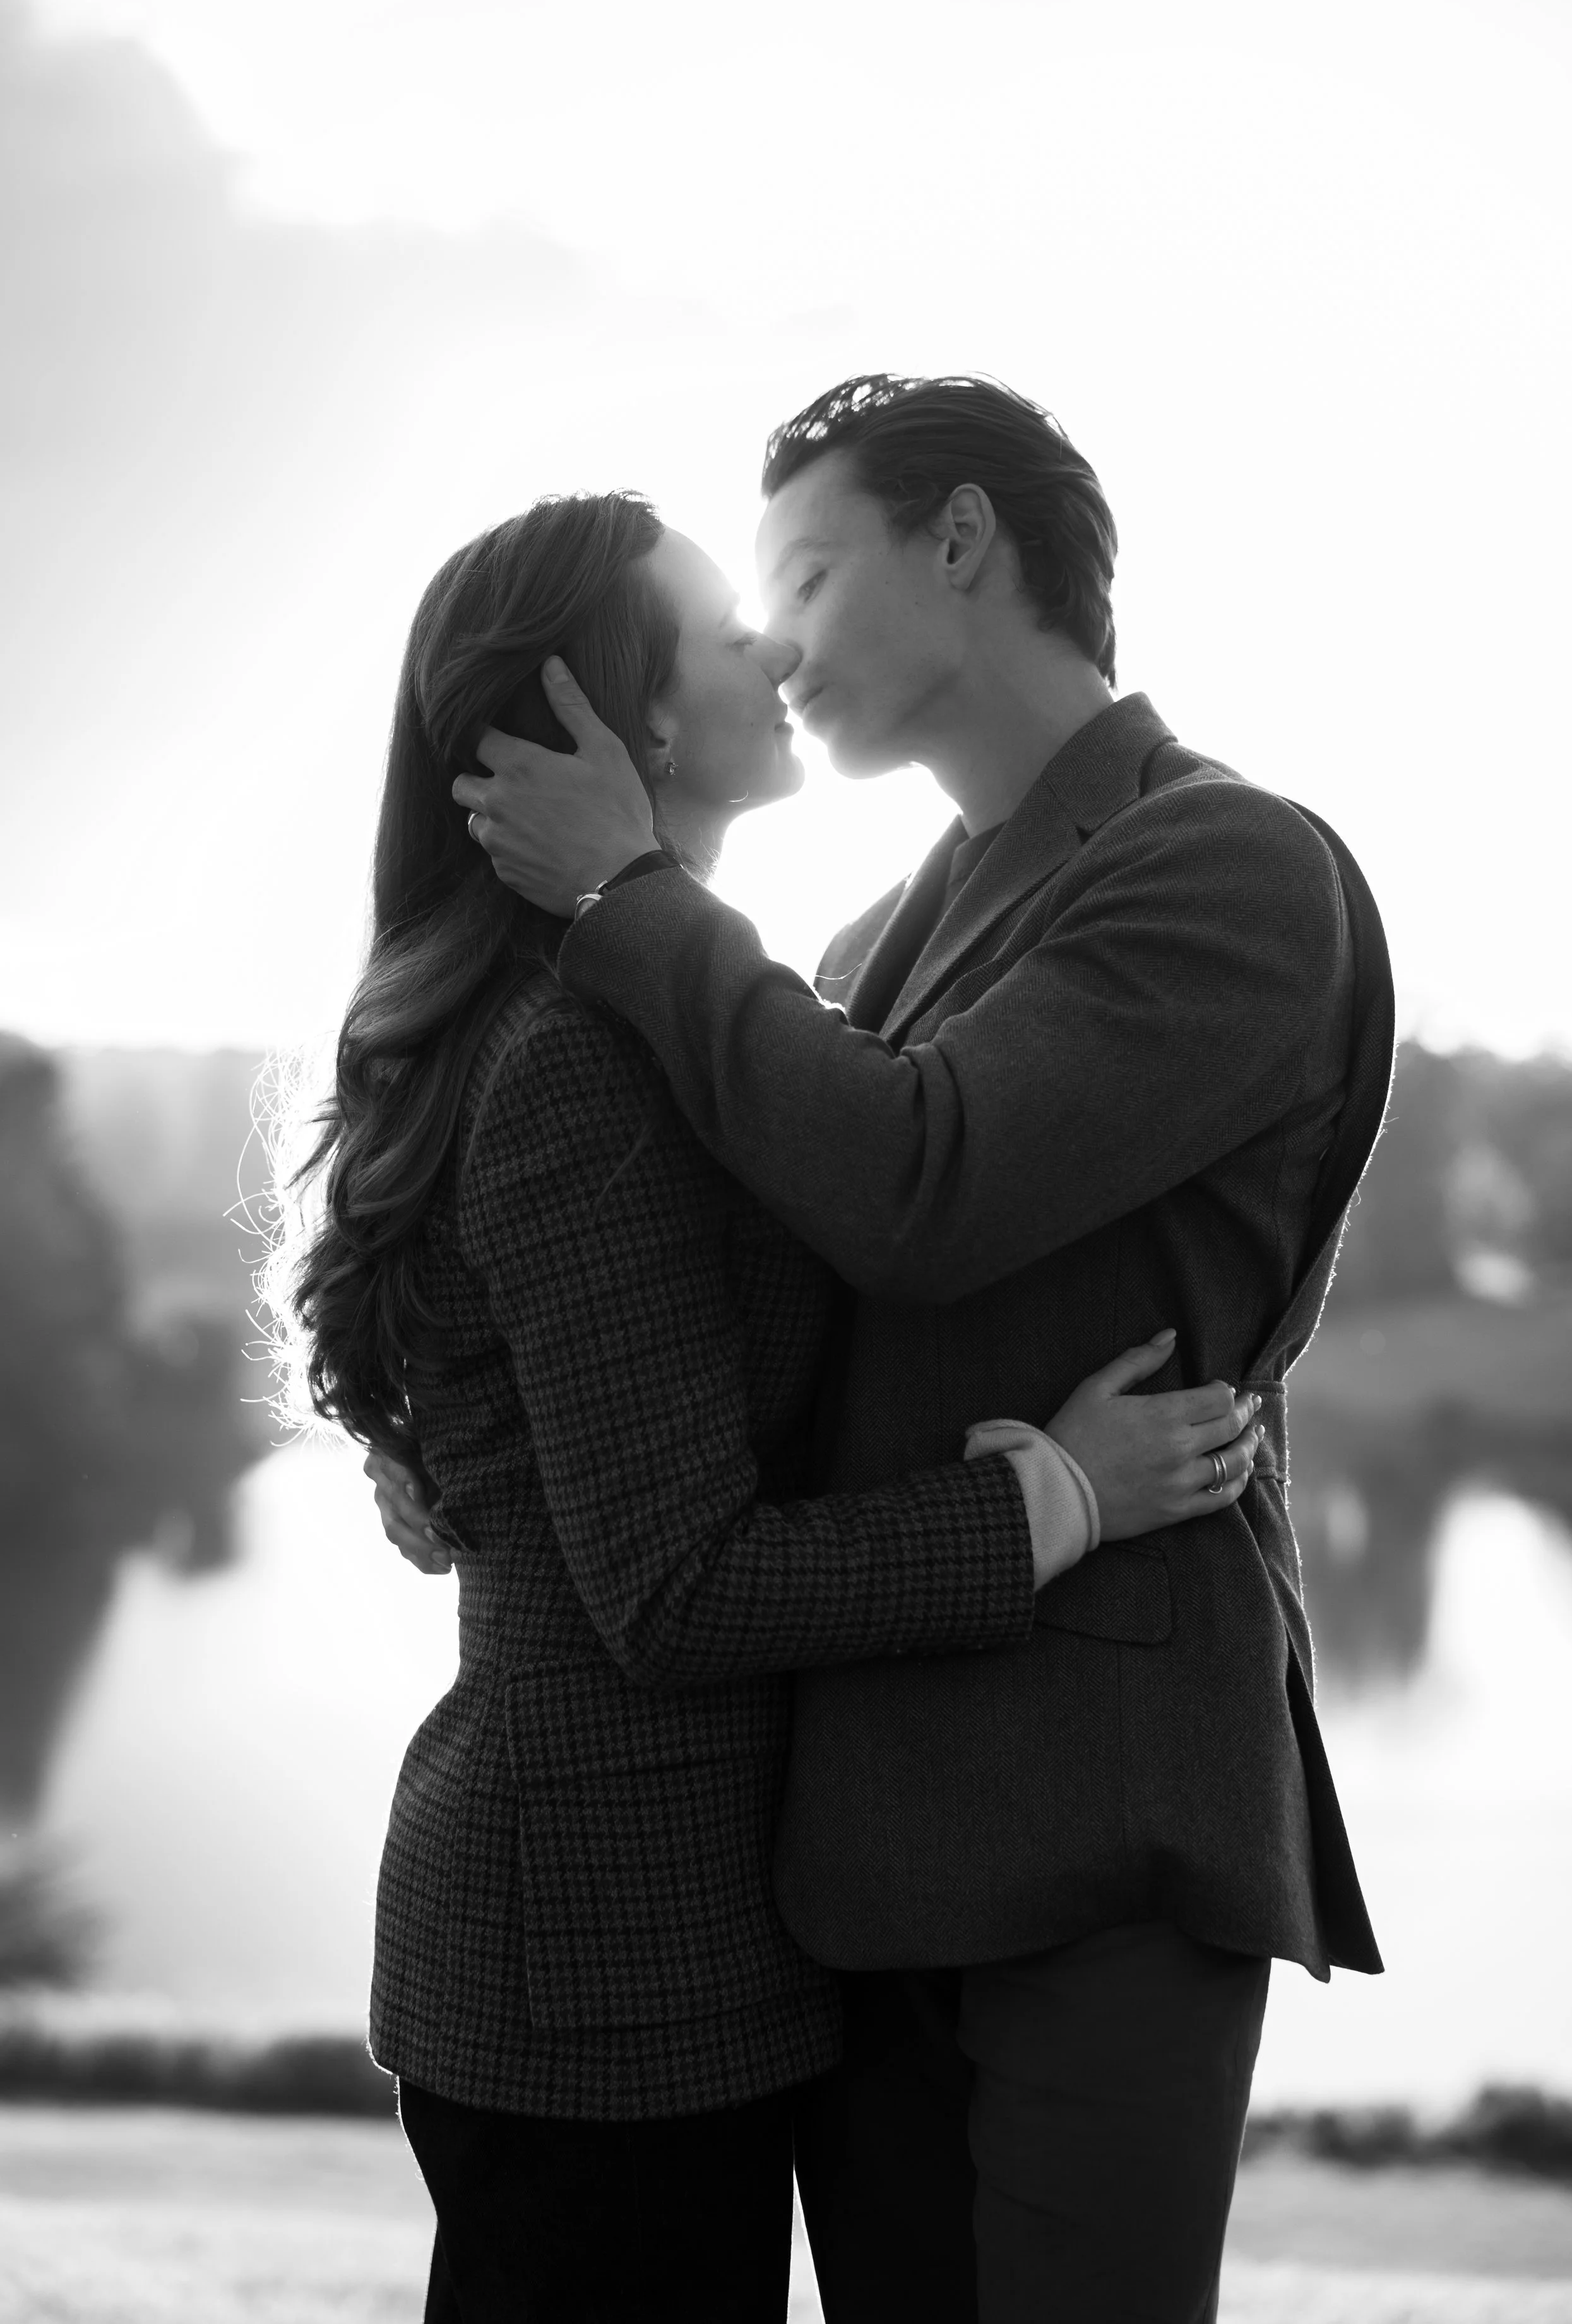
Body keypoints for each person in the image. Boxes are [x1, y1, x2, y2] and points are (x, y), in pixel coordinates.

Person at [432, 374, 1396, 2323]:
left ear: (960, 542)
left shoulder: (1230, 869)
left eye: (803, 567)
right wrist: (450, 1427)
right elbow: (666, 1251)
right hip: (850, 1841)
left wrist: (624, 888)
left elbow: (920, 1182)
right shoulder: (870, 938)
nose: (771, 640)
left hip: (1097, 1802)